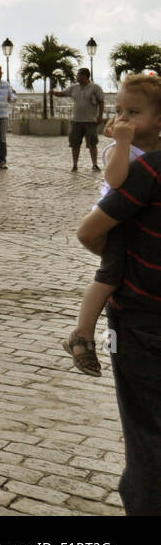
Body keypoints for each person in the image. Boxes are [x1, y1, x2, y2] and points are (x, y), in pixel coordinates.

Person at [77, 100, 161, 515]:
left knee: (148, 437)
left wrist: (119, 259)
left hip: (145, 318)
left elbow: (89, 231)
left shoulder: (150, 170)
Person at [65, 75, 161, 378]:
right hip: (115, 221)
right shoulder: (123, 149)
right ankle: (81, 335)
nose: (123, 118)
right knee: (109, 277)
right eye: (119, 111)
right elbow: (116, 181)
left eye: (133, 113)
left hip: (138, 224)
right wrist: (122, 141)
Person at [54, 68, 105, 172]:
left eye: (79, 75)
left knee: (92, 143)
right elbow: (63, 93)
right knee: (75, 144)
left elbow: (101, 102)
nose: (77, 77)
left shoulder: (95, 88)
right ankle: (75, 165)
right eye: (77, 75)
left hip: (90, 121)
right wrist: (54, 92)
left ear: (85, 76)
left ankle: (94, 164)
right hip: (76, 121)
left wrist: (99, 116)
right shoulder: (74, 87)